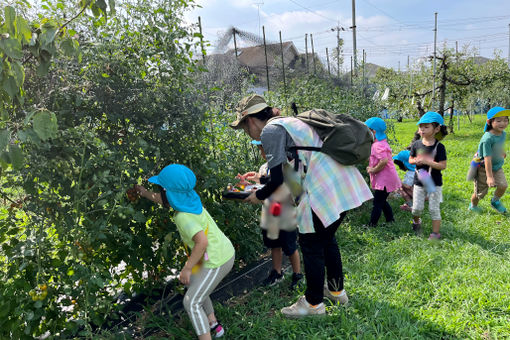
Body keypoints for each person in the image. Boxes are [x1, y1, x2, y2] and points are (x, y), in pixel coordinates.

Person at [230, 94, 372, 318]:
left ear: (249, 120)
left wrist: (259, 196)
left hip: (322, 189)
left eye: (244, 128)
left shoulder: (270, 130)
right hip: (339, 182)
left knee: (312, 245)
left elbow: (278, 180)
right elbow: (291, 173)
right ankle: (336, 291)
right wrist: (262, 182)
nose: (249, 133)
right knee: (327, 241)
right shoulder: (288, 123)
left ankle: (313, 304)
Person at [135, 164, 235, 340]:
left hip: (217, 260)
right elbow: (164, 199)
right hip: (217, 252)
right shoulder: (190, 199)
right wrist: (143, 192)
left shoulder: (183, 216)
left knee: (191, 302)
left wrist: (187, 267)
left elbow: (201, 242)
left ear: (168, 192)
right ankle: (213, 324)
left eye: (161, 189)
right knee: (194, 284)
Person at [237, 142, 303, 288]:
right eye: (261, 150)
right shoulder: (265, 168)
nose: (262, 154)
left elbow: (282, 185)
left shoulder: (286, 165)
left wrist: (261, 186)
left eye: (264, 150)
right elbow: (266, 184)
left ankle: (297, 275)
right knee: (274, 244)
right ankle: (277, 272)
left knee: (290, 246)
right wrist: (254, 180)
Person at [408, 112, 448, 240]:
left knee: (434, 209)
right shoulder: (416, 144)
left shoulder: (439, 147)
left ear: (436, 129)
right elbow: (410, 160)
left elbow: (443, 165)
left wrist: (428, 162)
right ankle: (416, 221)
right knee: (416, 209)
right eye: (421, 127)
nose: (422, 129)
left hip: (434, 183)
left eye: (426, 127)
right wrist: (416, 161)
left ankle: (435, 234)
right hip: (419, 182)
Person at [469, 107, 509, 214]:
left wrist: (501, 151)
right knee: (480, 193)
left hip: (497, 166)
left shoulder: (502, 134)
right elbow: (487, 158)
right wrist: (490, 177)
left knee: (503, 185)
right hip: (483, 169)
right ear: (489, 122)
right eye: (499, 120)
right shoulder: (487, 139)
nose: (503, 123)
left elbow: (498, 145)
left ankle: (495, 201)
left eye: (506, 120)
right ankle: (473, 205)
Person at [364, 117, 401, 226]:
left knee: (377, 203)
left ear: (373, 131)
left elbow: (384, 160)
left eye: (367, 131)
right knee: (382, 201)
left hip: (385, 179)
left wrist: (373, 169)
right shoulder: (381, 142)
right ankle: (390, 220)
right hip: (387, 178)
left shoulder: (377, 145)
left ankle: (372, 225)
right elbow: (379, 157)